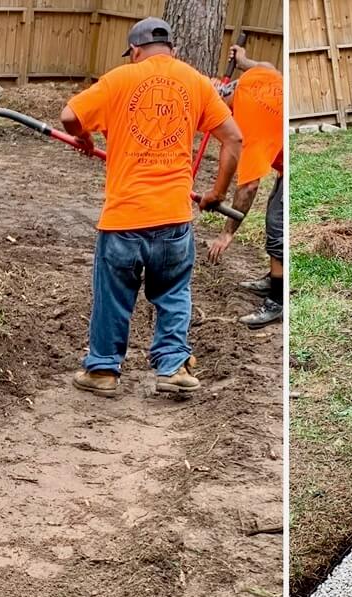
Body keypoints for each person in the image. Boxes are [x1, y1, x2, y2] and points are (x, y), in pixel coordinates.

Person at [60, 17, 242, 397]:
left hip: (124, 216)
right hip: (174, 215)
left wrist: (84, 136)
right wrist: (217, 193)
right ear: (171, 50)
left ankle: (103, 371)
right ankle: (173, 367)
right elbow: (233, 139)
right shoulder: (194, 81)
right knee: (173, 292)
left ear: (136, 51)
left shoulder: (118, 80)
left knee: (113, 296)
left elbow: (69, 117)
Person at [205, 46, 284, 329]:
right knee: (275, 213)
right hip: (284, 158)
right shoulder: (253, 78)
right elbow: (266, 64)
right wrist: (242, 61)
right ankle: (274, 277)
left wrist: (227, 233)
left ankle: (277, 301)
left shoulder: (249, 125)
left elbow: (249, 187)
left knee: (277, 227)